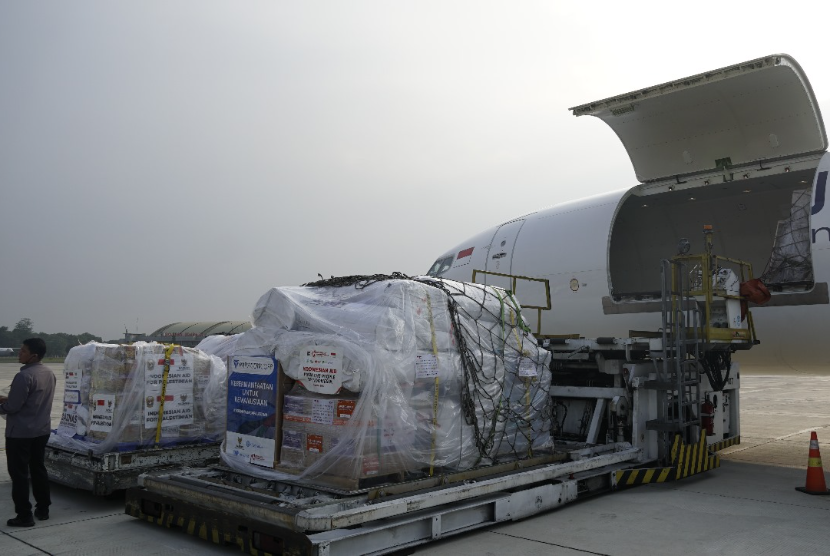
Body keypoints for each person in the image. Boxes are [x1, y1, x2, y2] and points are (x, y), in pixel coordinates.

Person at [0, 338, 56, 526]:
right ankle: (43, 508)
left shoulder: (23, 376)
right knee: (38, 469)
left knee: (19, 475)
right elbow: (33, 398)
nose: (19, 353)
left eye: (23, 351)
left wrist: (3, 404)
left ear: (33, 356)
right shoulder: (49, 373)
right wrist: (8, 399)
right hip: (41, 430)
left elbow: (13, 407)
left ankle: (24, 515)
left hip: (20, 433)